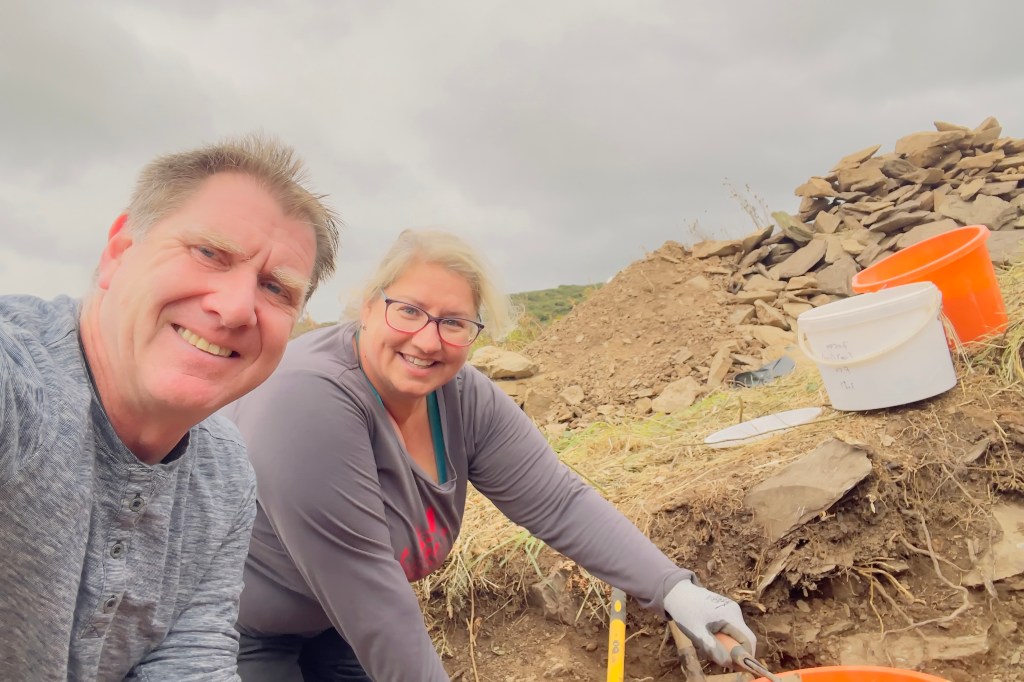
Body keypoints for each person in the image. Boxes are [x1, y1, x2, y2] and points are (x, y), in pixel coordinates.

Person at [225, 229, 757, 681]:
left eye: (453, 322)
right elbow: (369, 594)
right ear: (368, 306)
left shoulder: (460, 397)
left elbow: (557, 501)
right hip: (236, 631)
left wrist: (673, 589)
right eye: (408, 311)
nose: (428, 341)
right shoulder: (309, 400)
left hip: (333, 622)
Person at [0, 134, 341, 681]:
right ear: (118, 252)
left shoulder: (224, 471)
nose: (236, 309)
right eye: (208, 253)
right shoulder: (20, 382)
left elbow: (189, 659)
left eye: (276, 288)